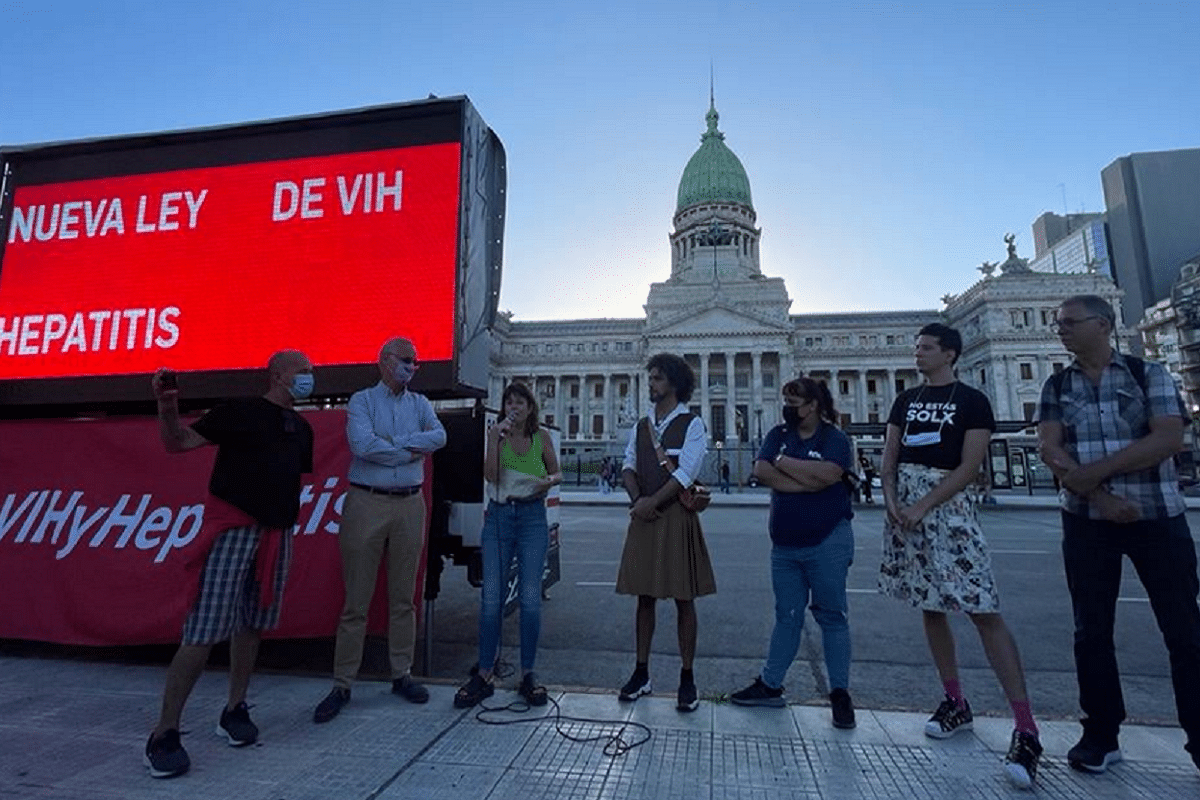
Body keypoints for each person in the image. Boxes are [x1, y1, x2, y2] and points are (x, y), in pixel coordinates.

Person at [1037, 294, 1200, 775]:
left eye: (1069, 322)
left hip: (1157, 517)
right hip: (1087, 521)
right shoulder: (1056, 383)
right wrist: (1102, 496)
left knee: (1185, 633)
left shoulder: (1149, 374)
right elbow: (1050, 447)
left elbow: (1168, 439)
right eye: (1055, 323)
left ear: (1104, 325)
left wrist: (1095, 474)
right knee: (1091, 632)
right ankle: (1100, 735)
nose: (1060, 330)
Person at [878, 323, 1042, 789]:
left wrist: (923, 504)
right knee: (930, 607)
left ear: (950, 353)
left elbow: (970, 466)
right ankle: (955, 702)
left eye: (925, 348)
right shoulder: (905, 401)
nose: (917, 353)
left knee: (983, 609)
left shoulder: (973, 400)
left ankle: (1026, 725)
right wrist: (892, 502)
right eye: (914, 347)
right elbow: (889, 458)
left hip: (948, 508)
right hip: (905, 507)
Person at [144, 350, 315, 779]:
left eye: (312, 372)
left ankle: (235, 708)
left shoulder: (302, 429)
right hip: (233, 532)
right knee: (203, 630)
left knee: (252, 623)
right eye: (304, 371)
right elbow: (176, 443)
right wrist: (167, 405)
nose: (312, 377)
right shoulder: (240, 412)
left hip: (276, 536)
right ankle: (164, 733)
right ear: (278, 375)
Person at [313, 337, 447, 723]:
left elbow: (438, 437)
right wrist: (409, 451)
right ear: (385, 362)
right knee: (356, 599)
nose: (412, 368)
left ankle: (400, 673)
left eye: (415, 363)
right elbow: (361, 445)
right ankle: (342, 682)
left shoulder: (420, 404)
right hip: (367, 501)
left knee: (404, 597)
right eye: (406, 361)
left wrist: (395, 443)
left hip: (409, 502)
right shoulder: (362, 401)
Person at [730, 377, 857, 729]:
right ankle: (771, 685)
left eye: (793, 400)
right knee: (786, 616)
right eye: (784, 398)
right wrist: (808, 481)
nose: (787, 406)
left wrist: (783, 464)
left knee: (832, 616)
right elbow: (761, 470)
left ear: (813, 404)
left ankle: (840, 694)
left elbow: (832, 472)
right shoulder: (777, 434)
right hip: (784, 544)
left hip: (828, 539)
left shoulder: (834, 437)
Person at [615, 353, 716, 712]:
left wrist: (650, 502)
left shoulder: (693, 424)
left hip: (674, 517)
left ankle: (687, 677)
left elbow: (687, 473)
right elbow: (628, 464)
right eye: (651, 378)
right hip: (645, 514)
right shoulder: (642, 425)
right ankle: (641, 672)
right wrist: (637, 499)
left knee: (683, 598)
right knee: (644, 599)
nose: (652, 384)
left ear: (673, 382)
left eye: (657, 378)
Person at [454, 383, 562, 708]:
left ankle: (528, 673)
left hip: (531, 517)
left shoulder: (540, 437)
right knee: (491, 599)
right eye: (508, 402)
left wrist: (546, 481)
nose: (513, 407)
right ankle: (485, 672)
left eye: (520, 401)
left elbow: (557, 474)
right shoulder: (497, 437)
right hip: (500, 518)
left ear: (530, 407)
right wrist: (492, 439)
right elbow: (491, 477)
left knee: (530, 599)